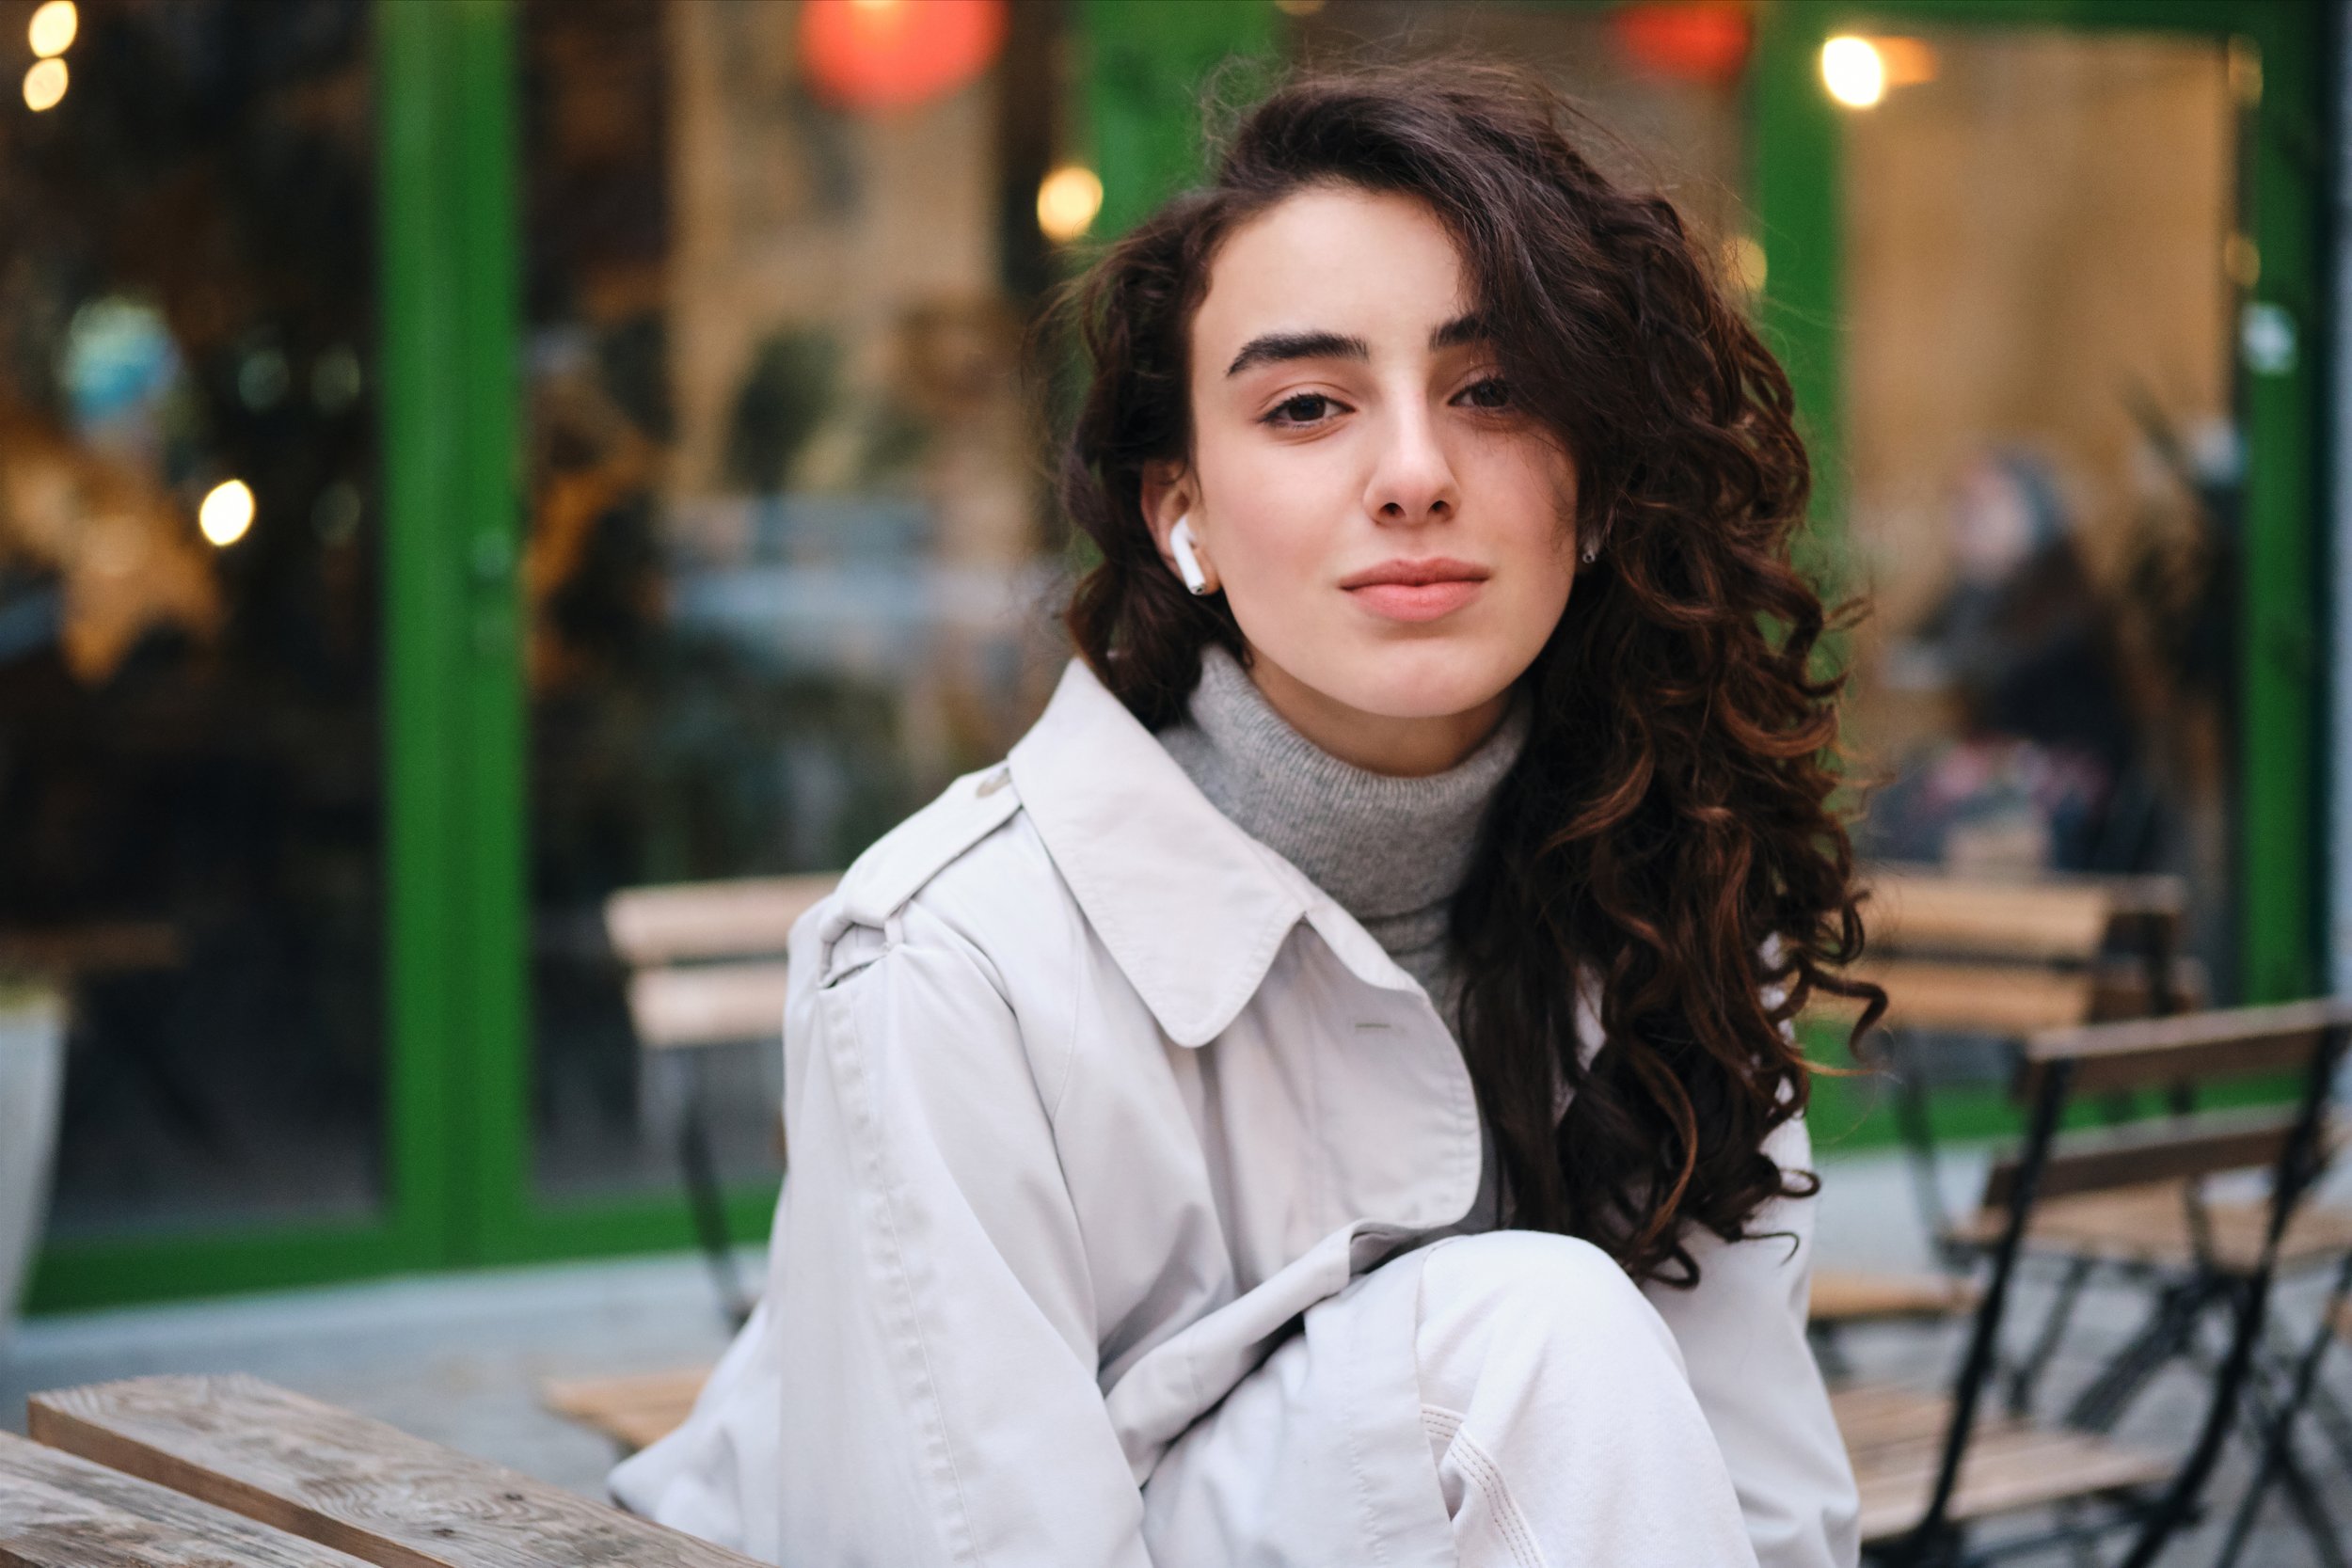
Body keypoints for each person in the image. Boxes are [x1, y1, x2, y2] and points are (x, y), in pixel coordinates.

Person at [612, 61, 1882, 1568]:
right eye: (1305, 405)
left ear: (1596, 485)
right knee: (1536, 1332)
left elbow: (1760, 1511)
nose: (1414, 474)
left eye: (1494, 390)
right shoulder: (956, 960)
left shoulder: (1681, 891)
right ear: (1183, 514)